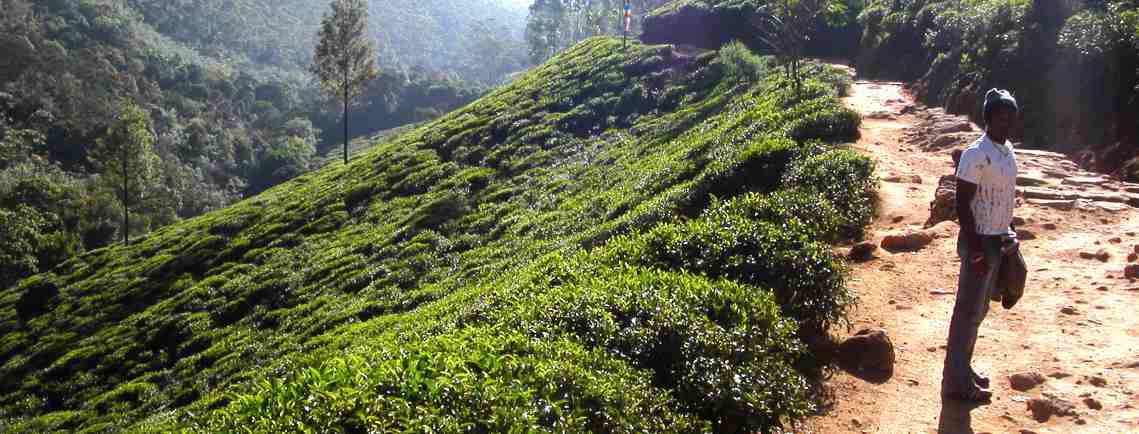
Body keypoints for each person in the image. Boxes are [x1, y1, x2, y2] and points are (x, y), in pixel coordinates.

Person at [941, 88, 1020, 403]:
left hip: (998, 238)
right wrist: (974, 249)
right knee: (967, 312)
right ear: (988, 118)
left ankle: (963, 369)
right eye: (1001, 116)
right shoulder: (976, 154)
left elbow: (1005, 196)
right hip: (980, 241)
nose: (1007, 122)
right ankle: (956, 382)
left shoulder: (1007, 150)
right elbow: (962, 203)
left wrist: (1009, 232)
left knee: (979, 310)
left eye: (1011, 117)